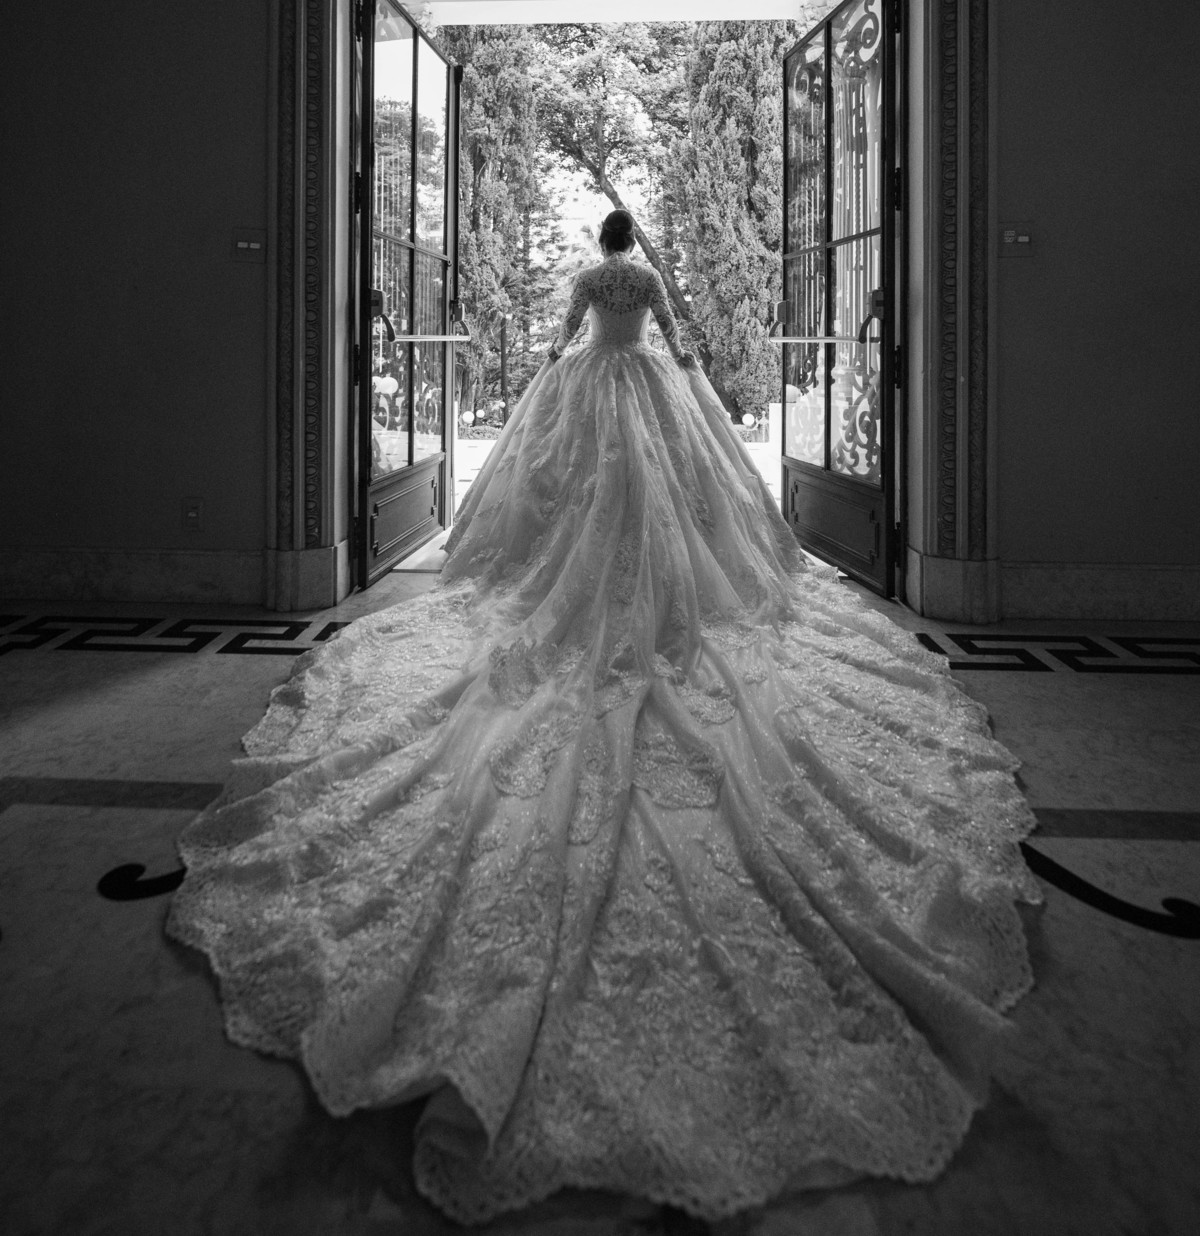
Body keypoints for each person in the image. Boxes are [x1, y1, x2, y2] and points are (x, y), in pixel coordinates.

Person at [168, 207, 1038, 1224]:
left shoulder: (588, 276)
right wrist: (689, 376)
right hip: (648, 395)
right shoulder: (646, 280)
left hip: (591, 391)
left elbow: (561, 337)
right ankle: (660, 610)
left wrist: (550, 363)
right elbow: (671, 339)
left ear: (601, 241)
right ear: (638, 244)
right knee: (661, 515)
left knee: (578, 516)